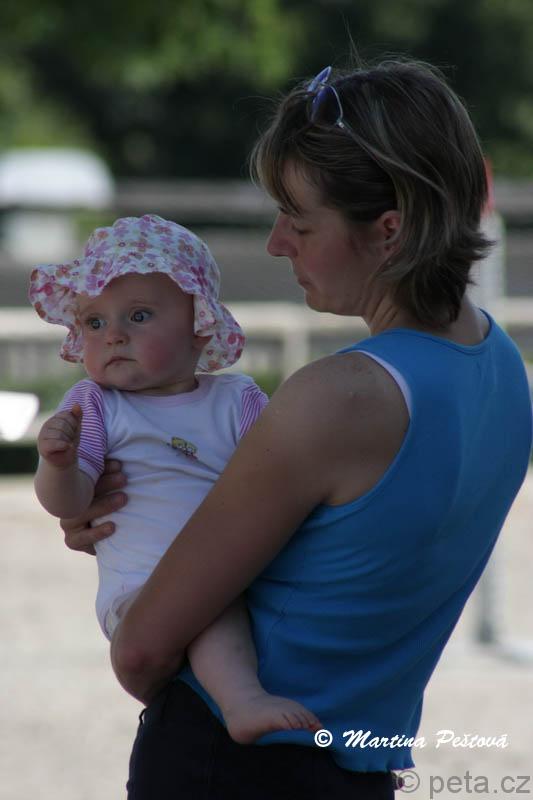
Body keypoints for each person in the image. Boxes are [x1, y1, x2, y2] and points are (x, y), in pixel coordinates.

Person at [61, 61, 532, 800]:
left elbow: (143, 650)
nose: (278, 243)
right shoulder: (501, 368)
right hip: (364, 763)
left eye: (300, 220)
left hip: (234, 762)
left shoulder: (339, 397)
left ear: (388, 231)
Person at [29, 213, 321, 745]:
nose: (114, 335)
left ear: (199, 325)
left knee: (221, 607)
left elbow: (284, 477)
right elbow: (70, 505)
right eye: (94, 323)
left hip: (232, 572)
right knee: (209, 611)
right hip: (139, 588)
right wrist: (59, 464)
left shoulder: (236, 400)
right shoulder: (95, 405)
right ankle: (242, 702)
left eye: (138, 316)